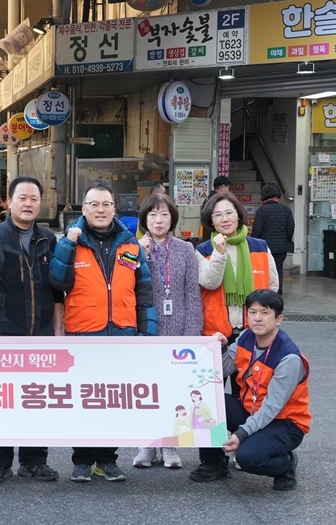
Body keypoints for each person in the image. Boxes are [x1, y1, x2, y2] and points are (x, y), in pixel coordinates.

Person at [49, 183, 157, 484]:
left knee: (114, 402)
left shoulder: (130, 244)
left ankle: (107, 459)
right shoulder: (71, 240)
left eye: (106, 204)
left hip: (122, 334)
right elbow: (57, 283)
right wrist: (68, 246)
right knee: (85, 401)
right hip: (84, 336)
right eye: (93, 204)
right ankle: (82, 460)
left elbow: (144, 292)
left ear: (114, 209)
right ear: (83, 209)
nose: (100, 209)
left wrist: (146, 335)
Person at [0, 176, 63, 485]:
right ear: (9, 202)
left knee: (36, 399)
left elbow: (57, 290)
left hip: (40, 332)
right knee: (1, 399)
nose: (28, 203)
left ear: (41, 203)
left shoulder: (49, 239)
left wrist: (57, 332)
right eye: (22, 198)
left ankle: (34, 460)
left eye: (34, 199)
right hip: (3, 331)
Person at [190, 290, 310, 492]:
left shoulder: (289, 358)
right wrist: (221, 347)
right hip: (252, 409)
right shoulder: (246, 336)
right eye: (252, 312)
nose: (257, 318)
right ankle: (215, 463)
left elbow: (272, 407)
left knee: (247, 457)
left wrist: (241, 434)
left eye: (265, 313)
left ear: (278, 319)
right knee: (207, 402)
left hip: (285, 423)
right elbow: (227, 369)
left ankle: (286, 464)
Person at [133, 193, 204, 470]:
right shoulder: (135, 247)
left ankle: (171, 444)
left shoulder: (186, 249)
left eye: (164, 214)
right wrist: (143, 255)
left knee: (174, 389)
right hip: (147, 329)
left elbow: (192, 294)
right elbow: (130, 287)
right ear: (145, 219)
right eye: (152, 215)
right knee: (149, 389)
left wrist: (191, 335)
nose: (158, 220)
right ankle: (148, 444)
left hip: (178, 328)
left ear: (172, 218)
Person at [197, 192, 279, 340]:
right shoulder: (203, 250)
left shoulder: (260, 247)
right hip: (217, 333)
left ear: (239, 215)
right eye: (218, 215)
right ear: (211, 220)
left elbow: (272, 287)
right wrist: (219, 253)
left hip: (255, 330)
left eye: (229, 212)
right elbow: (210, 283)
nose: (225, 219)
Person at [251, 183, 294, 295]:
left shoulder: (261, 211)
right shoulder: (286, 209)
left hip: (264, 248)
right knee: (278, 269)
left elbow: (257, 230)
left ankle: (265, 292)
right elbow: (290, 227)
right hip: (281, 247)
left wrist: (252, 244)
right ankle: (278, 292)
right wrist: (287, 240)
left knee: (265, 269)